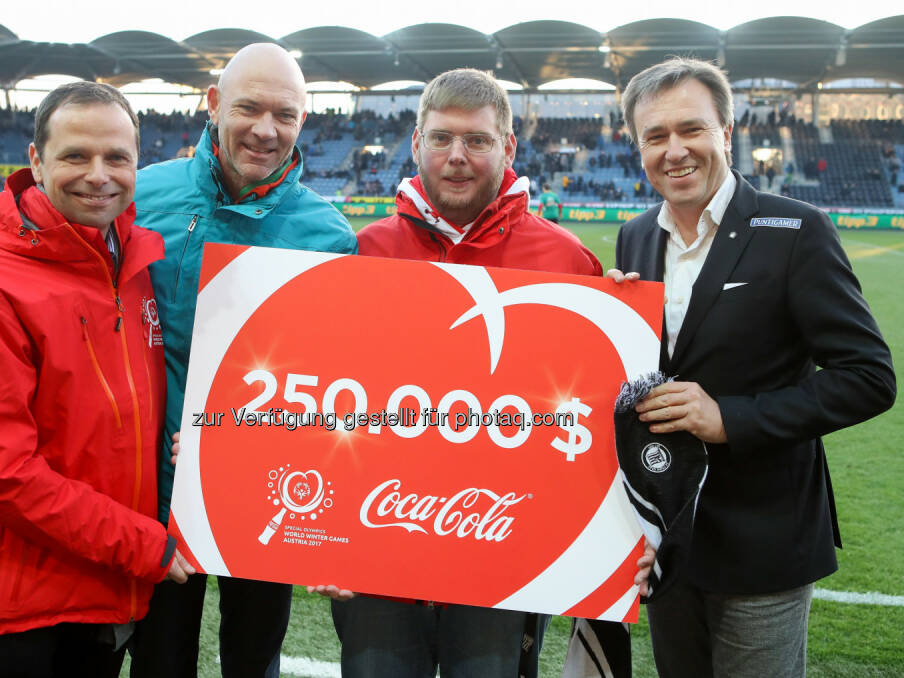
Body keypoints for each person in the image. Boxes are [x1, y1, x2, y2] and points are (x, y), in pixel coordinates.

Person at [313, 67, 649, 678]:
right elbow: (321, 397)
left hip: (505, 541)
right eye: (441, 139)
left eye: (477, 140)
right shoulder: (364, 253)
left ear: (509, 148)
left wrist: (622, 322)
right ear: (416, 145)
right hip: (376, 539)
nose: (457, 157)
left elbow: (593, 414)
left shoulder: (567, 261)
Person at [613, 57, 895, 678]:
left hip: (764, 537)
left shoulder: (796, 229)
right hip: (665, 538)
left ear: (727, 133)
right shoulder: (634, 237)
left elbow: (870, 377)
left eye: (692, 129)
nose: (675, 150)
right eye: (655, 136)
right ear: (638, 148)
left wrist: (729, 419)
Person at [0, 81, 195, 678]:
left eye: (117, 158)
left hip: (103, 590)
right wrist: (142, 546)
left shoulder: (131, 266)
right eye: (76, 155)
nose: (99, 175)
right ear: (36, 161)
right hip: (19, 610)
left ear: (137, 164)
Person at [129, 43, 358, 678]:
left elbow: (337, 380)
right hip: (155, 495)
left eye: (284, 114)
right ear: (213, 105)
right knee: (158, 660)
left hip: (265, 497)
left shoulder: (328, 235)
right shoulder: (140, 198)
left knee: (254, 660)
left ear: (303, 121)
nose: (265, 129)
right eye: (248, 108)